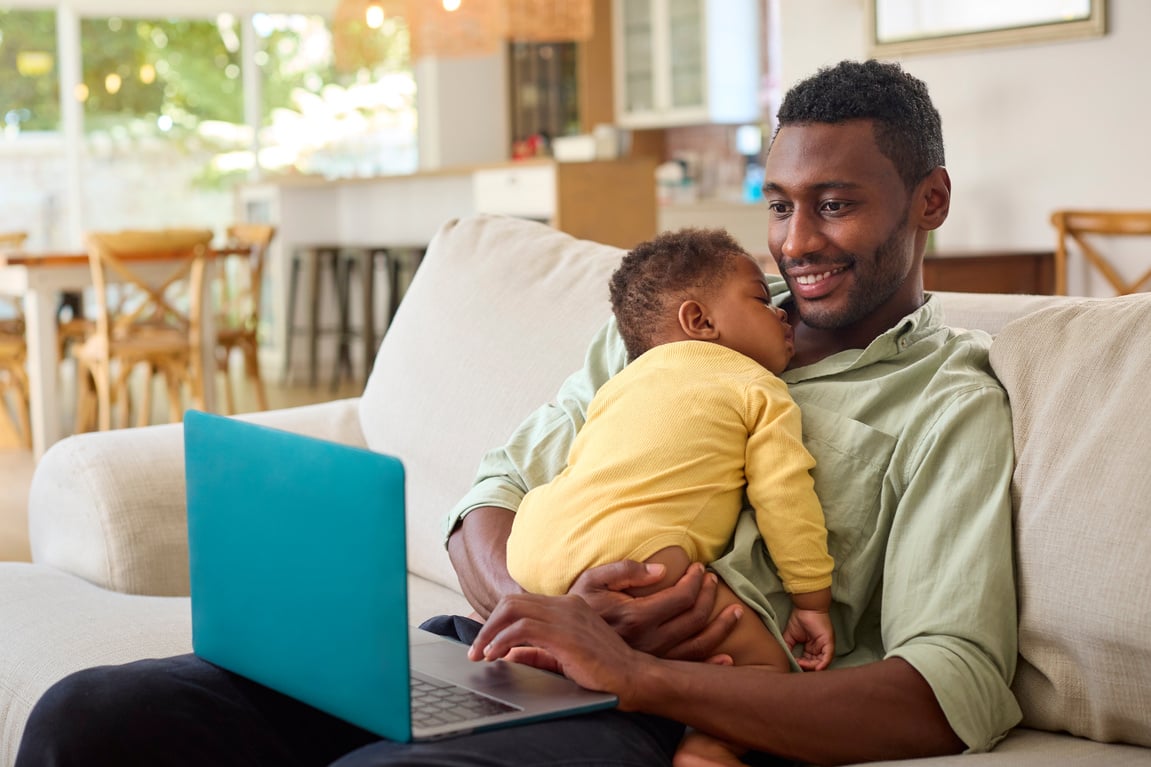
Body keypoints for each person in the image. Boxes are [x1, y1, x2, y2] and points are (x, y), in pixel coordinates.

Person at [17, 59, 1022, 767]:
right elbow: (490, 496)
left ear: (927, 200)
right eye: (778, 201)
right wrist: (537, 603)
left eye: (834, 203)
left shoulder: (944, 400)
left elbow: (953, 690)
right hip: (488, 644)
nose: (795, 241)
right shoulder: (691, 317)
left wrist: (631, 670)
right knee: (93, 714)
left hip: (662, 714)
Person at [507, 227, 835, 765]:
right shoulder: (757, 387)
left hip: (535, 545)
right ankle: (710, 749)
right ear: (699, 322)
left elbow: (582, 461)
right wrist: (810, 600)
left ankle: (551, 662)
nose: (782, 312)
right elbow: (785, 499)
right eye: (761, 298)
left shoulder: (618, 384)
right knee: (767, 673)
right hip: (640, 557)